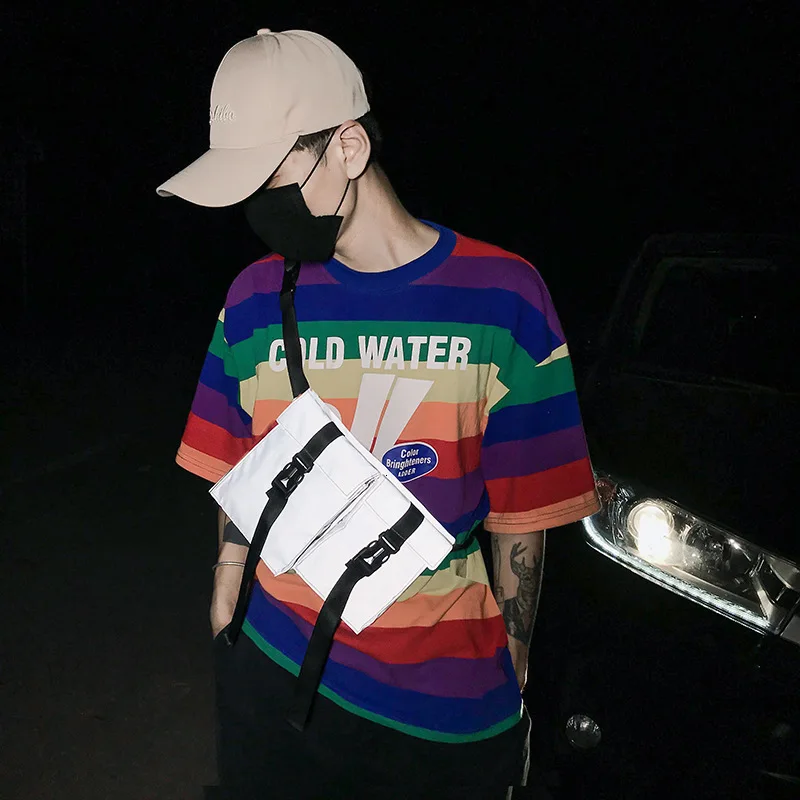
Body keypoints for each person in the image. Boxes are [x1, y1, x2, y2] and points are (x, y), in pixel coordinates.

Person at [157, 28, 600, 800]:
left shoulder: (503, 296)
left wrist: (516, 644)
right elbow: (237, 460)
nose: (257, 210)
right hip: (271, 671)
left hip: (441, 706)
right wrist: (228, 582)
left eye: (269, 178)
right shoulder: (253, 298)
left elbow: (523, 508)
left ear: (349, 147)